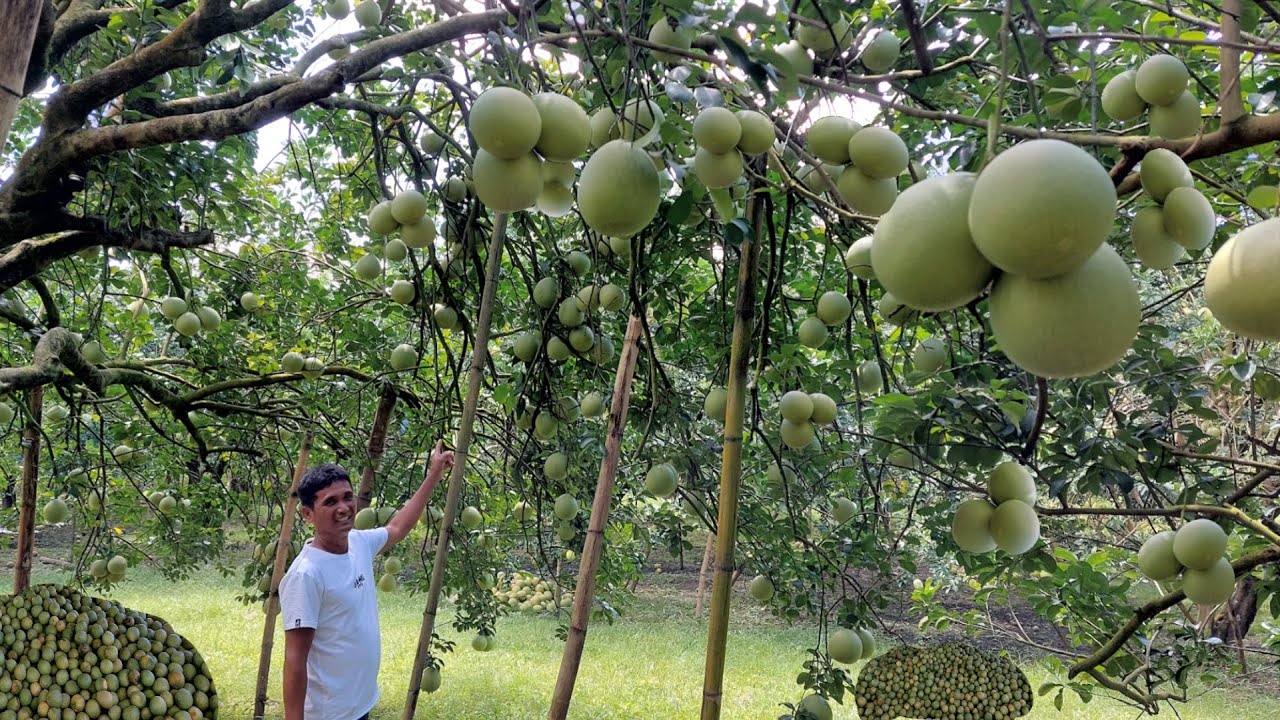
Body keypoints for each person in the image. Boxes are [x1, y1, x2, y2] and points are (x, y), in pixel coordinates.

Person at [280, 440, 454, 720]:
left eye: (347, 497)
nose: (344, 507)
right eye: (330, 501)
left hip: (360, 704)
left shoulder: (359, 543)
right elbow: (295, 660)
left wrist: (434, 474)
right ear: (308, 514)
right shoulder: (306, 575)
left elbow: (398, 526)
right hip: (329, 714)